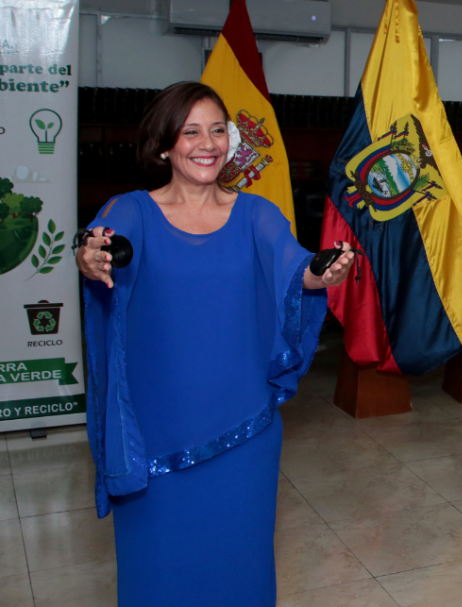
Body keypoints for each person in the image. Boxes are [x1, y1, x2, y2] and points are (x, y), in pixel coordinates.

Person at [75, 82, 355, 606]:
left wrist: (324, 272)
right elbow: (100, 244)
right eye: (191, 132)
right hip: (155, 435)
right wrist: (90, 257)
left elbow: (296, 270)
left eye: (218, 130)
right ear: (164, 145)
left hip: (245, 430)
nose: (207, 143)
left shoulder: (257, 214)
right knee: (158, 572)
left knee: (240, 565)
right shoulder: (132, 210)